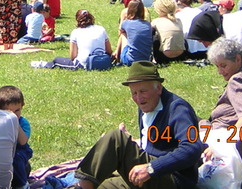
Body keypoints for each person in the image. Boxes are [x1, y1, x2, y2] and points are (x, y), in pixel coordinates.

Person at [73, 61, 204, 189]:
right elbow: (155, 143)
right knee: (101, 184)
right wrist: (134, 144)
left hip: (173, 179)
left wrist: (151, 168)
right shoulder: (145, 106)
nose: (138, 98)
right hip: (148, 175)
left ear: (158, 88)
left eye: (143, 91)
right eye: (134, 93)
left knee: (116, 138)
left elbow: (192, 148)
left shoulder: (178, 108)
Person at [201, 38, 242, 163]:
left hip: (231, 150)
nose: (220, 72)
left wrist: (219, 146)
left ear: (238, 59)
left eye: (223, 66)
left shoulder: (238, 80)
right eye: (217, 66)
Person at [45, 9, 112, 69]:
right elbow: (109, 51)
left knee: (57, 60)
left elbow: (73, 56)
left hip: (84, 63)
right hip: (103, 61)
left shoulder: (76, 32)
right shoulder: (101, 29)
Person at [0, 86, 32, 189]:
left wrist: (15, 124)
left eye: (17, 110)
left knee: (16, 159)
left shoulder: (22, 123)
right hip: (3, 150)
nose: (14, 115)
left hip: (19, 150)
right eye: (9, 112)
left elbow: (23, 141)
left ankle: (22, 185)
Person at [115, 0, 153, 66]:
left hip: (131, 60)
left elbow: (120, 32)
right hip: (146, 59)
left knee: (123, 35)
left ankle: (117, 58)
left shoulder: (126, 23)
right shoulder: (147, 24)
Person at [150, 0, 185, 65]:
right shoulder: (179, 21)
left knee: (154, 36)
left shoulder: (156, 21)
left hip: (163, 57)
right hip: (181, 55)